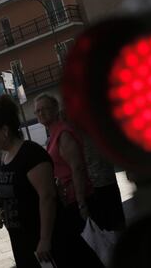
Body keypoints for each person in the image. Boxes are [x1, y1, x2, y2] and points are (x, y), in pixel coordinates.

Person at [0, 95, 59, 268]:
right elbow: (14, 191)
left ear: (5, 131)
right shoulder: (5, 157)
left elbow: (47, 197)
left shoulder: (31, 154)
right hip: (21, 241)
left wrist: (45, 239)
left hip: (41, 240)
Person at [34, 93, 105, 267]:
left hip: (78, 200)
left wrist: (81, 203)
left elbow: (77, 168)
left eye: (45, 109)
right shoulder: (53, 135)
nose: (41, 113)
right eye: (37, 111)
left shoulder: (63, 133)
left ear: (55, 109)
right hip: (69, 200)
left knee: (88, 253)